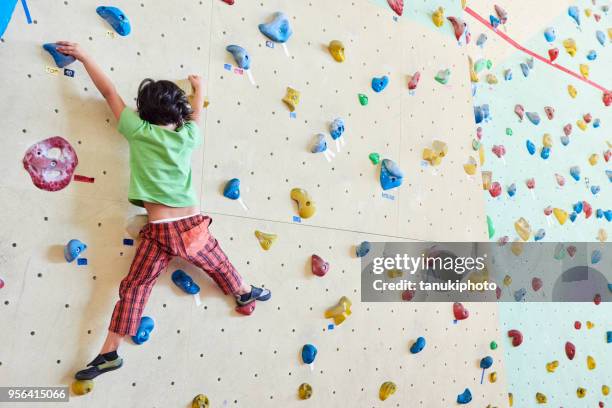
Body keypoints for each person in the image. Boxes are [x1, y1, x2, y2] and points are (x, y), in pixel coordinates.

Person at [52, 42, 271, 380]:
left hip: (157, 230)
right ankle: (244, 293)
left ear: (143, 111)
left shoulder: (138, 130)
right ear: (178, 113)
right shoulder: (187, 137)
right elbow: (197, 115)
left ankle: (109, 351)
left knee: (136, 287)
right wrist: (201, 89)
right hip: (188, 227)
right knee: (217, 263)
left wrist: (83, 57)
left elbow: (108, 90)